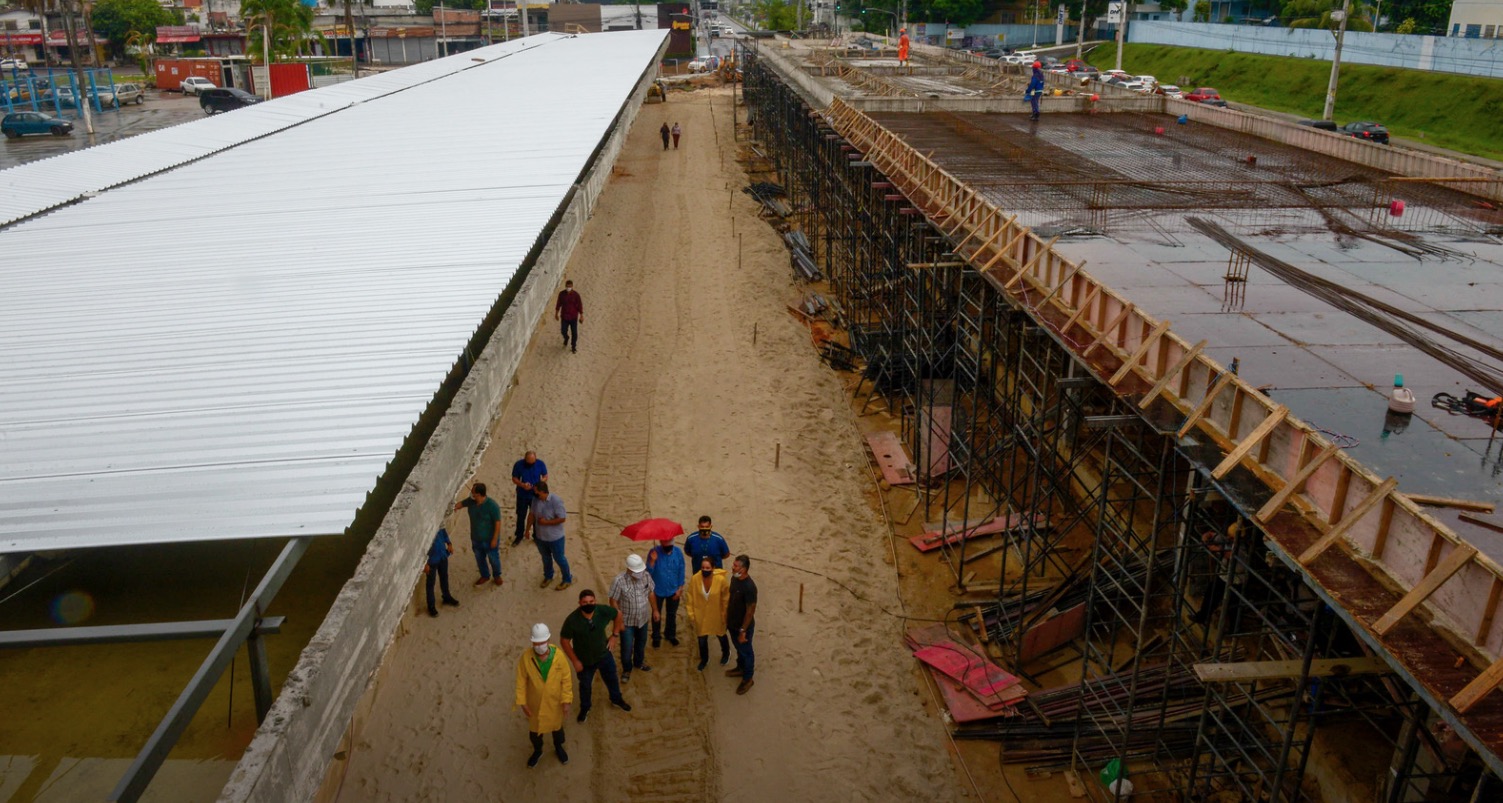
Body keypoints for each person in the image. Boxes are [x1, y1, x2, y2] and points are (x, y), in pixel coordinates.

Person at [559, 589, 632, 723]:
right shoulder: (572, 620)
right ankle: (585, 708)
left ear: (595, 601)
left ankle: (616, 699)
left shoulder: (602, 611)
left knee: (612, 679)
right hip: (584, 660)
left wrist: (614, 636)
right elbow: (564, 640)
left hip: (604, 655)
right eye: (585, 602)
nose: (589, 604)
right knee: (585, 685)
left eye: (591, 601)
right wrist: (575, 660)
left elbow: (618, 615)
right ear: (580, 603)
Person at [515, 623, 571, 767]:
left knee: (557, 729)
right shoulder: (526, 658)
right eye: (536, 643)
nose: (539, 646)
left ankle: (558, 747)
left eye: (542, 642)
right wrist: (522, 703)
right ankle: (538, 751)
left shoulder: (558, 656)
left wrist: (566, 701)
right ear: (532, 642)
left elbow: (566, 679)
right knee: (535, 733)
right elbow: (521, 681)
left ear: (548, 640)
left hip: (555, 703)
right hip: (535, 705)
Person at [609, 554, 655, 681]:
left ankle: (639, 663)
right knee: (627, 648)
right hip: (627, 622)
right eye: (636, 571)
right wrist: (618, 621)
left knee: (641, 644)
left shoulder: (646, 576)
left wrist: (655, 610)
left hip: (643, 619)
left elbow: (651, 593)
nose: (640, 574)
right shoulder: (619, 581)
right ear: (628, 570)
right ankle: (627, 669)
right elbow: (613, 601)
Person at [686, 555, 730, 671]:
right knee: (702, 640)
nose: (705, 570)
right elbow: (690, 597)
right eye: (703, 568)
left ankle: (726, 653)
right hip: (701, 615)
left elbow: (725, 599)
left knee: (721, 635)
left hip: (716, 614)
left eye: (707, 568)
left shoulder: (721, 580)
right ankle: (704, 659)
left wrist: (724, 614)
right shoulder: (695, 579)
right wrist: (691, 614)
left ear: (713, 568)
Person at [527, 481, 574, 590]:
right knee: (545, 558)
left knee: (560, 559)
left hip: (555, 538)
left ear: (543, 492)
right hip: (540, 537)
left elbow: (562, 518)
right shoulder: (535, 500)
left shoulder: (556, 501)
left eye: (537, 493)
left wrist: (545, 522)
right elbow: (532, 515)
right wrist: (527, 529)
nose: (535, 495)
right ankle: (548, 576)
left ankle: (567, 579)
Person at [455, 483, 502, 586]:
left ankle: (497, 575)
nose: (471, 495)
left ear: (479, 494)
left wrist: (495, 538)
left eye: (473, 493)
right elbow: (460, 504)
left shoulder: (492, 506)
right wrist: (454, 507)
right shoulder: (471, 501)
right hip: (476, 539)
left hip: (490, 539)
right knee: (480, 559)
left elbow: (497, 523)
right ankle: (485, 575)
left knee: (494, 559)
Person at [725, 555, 758, 694]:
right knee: (739, 649)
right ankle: (740, 667)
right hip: (732, 623)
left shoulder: (750, 587)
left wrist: (743, 630)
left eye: (736, 566)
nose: (733, 567)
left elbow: (750, 611)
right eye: (733, 565)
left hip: (742, 627)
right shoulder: (734, 578)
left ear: (744, 569)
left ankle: (748, 678)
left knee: (746, 652)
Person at [646, 537, 685, 648]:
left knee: (671, 614)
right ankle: (656, 636)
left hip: (673, 589)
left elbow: (681, 569)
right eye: (665, 545)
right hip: (657, 590)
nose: (668, 547)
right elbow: (648, 573)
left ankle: (670, 635)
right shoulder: (653, 552)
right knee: (656, 614)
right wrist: (652, 561)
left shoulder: (677, 552)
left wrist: (680, 588)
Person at [510, 451, 548, 546]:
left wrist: (539, 483)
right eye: (528, 463)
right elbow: (514, 478)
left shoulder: (540, 464)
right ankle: (519, 535)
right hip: (522, 494)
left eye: (532, 462)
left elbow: (545, 476)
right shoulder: (518, 465)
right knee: (521, 516)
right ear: (525, 459)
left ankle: (536, 536)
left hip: (535, 495)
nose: (530, 464)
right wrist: (522, 484)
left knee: (536, 515)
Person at [424, 527, 461, 617]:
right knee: (430, 584)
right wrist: (424, 563)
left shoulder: (437, 521)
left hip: (442, 556)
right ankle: (431, 606)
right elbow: (420, 546)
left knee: (444, 577)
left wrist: (449, 543)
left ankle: (446, 597)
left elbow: (443, 531)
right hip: (431, 561)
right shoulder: (423, 527)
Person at [555, 280, 583, 353]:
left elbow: (579, 305)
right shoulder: (561, 294)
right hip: (564, 317)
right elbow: (558, 304)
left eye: (570, 286)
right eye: (567, 286)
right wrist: (556, 313)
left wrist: (581, 315)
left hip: (573, 317)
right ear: (565, 286)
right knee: (563, 331)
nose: (568, 288)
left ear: (572, 286)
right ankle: (566, 338)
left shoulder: (576, 295)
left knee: (574, 333)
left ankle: (573, 347)